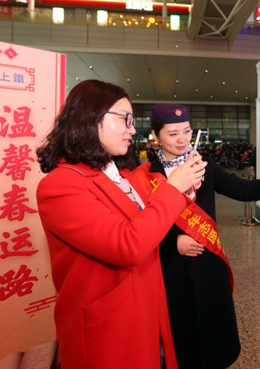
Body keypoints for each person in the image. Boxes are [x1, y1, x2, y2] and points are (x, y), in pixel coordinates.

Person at [35, 81, 206, 369]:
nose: (132, 129)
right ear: (90, 118)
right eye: (125, 119)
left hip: (142, 306)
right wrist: (174, 188)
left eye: (133, 120)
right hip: (107, 325)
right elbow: (128, 245)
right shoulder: (60, 185)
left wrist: (185, 186)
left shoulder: (120, 173)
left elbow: (152, 217)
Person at [148, 103, 260, 369]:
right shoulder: (146, 174)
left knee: (213, 335)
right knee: (181, 337)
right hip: (171, 268)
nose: (182, 139)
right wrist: (171, 242)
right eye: (172, 133)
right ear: (156, 135)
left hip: (207, 263)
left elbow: (243, 190)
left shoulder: (205, 166)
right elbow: (138, 225)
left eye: (187, 131)